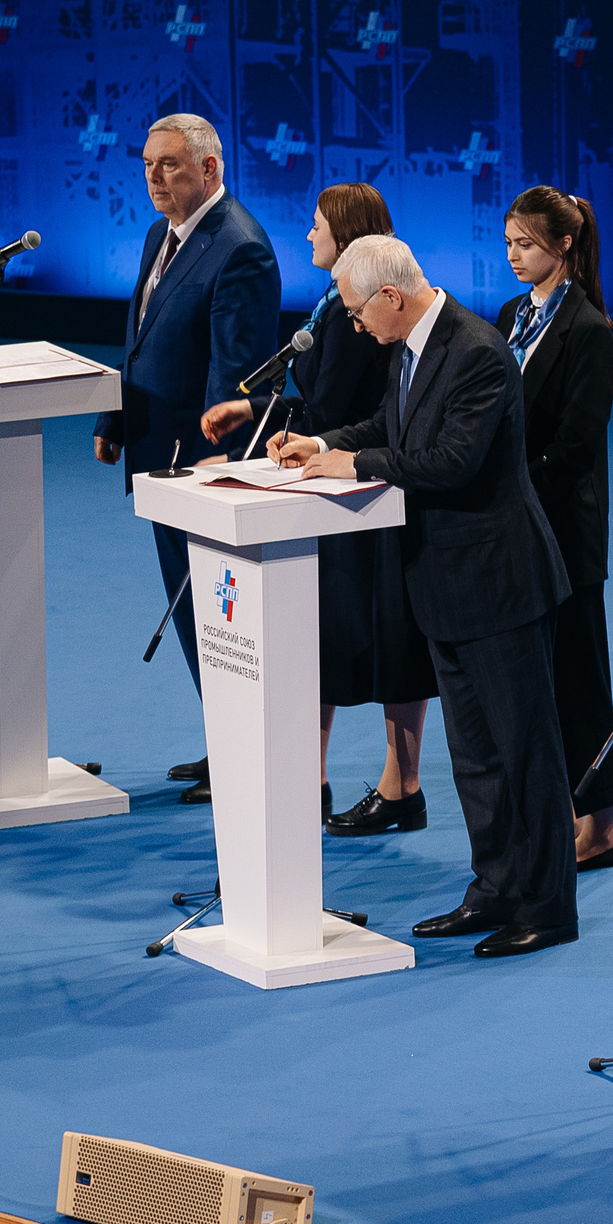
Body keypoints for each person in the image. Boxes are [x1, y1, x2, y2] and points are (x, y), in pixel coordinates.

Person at [269, 237, 577, 959]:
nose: (354, 325)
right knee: (475, 756)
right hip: (443, 583)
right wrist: (322, 444)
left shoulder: (477, 351)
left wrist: (355, 463)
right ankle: (496, 887)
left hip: (499, 582)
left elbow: (450, 461)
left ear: (392, 297)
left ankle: (547, 907)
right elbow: (393, 426)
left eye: (356, 312)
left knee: (524, 751)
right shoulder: (408, 346)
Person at [199, 183, 435, 830]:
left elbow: (338, 410)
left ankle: (396, 786)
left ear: (347, 234)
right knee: (321, 635)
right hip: (335, 487)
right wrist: (255, 408)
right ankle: (313, 777)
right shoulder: (333, 304)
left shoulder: (355, 316)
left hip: (366, 496)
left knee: (385, 640)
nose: (308, 235)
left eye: (316, 226)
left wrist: (286, 437)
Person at [93, 114, 279, 804]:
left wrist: (215, 470)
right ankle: (228, 740)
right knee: (193, 614)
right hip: (155, 450)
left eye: (168, 164)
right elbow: (141, 336)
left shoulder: (240, 248)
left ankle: (254, 755)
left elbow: (235, 377)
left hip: (197, 466)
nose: (153, 176)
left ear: (209, 168)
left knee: (223, 617)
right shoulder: (160, 234)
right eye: (147, 163)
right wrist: (115, 416)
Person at [493, 187, 613, 870]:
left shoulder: (589, 330)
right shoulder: (513, 315)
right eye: (509, 243)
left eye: (527, 244)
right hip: (515, 521)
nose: (514, 257)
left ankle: (600, 828)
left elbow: (575, 446)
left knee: (579, 679)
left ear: (564, 244)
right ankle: (557, 816)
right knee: (534, 678)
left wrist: (510, 490)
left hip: (565, 529)